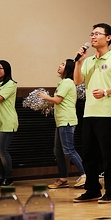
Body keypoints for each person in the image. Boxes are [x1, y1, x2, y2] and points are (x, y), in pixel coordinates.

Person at [73, 24, 111, 203]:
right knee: (88, 154)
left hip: (108, 113)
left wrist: (106, 91)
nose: (93, 37)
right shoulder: (88, 61)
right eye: (92, 34)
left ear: (108, 37)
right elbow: (77, 81)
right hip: (89, 112)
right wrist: (79, 61)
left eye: (97, 34)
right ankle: (92, 189)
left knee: (108, 154)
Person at [40, 59, 86, 190]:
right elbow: (56, 101)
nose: (60, 66)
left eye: (63, 64)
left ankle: (85, 174)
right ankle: (63, 178)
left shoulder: (67, 82)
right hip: (60, 121)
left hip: (67, 121)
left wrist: (44, 96)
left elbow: (57, 100)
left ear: (69, 69)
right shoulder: (63, 83)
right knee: (58, 151)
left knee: (69, 150)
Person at [0, 60, 17, 187]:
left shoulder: (11, 84)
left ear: (6, 70)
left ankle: (8, 177)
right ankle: (0, 176)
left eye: (0, 68)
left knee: (1, 150)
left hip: (7, 121)